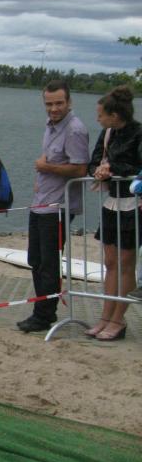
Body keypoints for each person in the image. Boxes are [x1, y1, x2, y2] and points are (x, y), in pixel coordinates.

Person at [18, 79, 89, 333]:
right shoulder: (50, 126)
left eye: (59, 103)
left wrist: (46, 167)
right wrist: (41, 176)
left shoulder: (75, 129)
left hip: (58, 208)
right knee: (35, 259)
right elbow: (49, 162)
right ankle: (42, 310)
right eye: (49, 104)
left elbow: (80, 169)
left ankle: (44, 315)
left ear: (69, 101)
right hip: (41, 203)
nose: (54, 109)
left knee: (49, 263)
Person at [84, 85, 141, 341]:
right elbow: (94, 162)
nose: (98, 119)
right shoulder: (107, 133)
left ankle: (118, 319)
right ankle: (105, 317)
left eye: (101, 115)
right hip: (112, 202)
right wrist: (99, 170)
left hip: (133, 204)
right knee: (110, 262)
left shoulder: (138, 133)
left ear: (114, 115)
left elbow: (137, 167)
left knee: (126, 263)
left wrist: (112, 168)